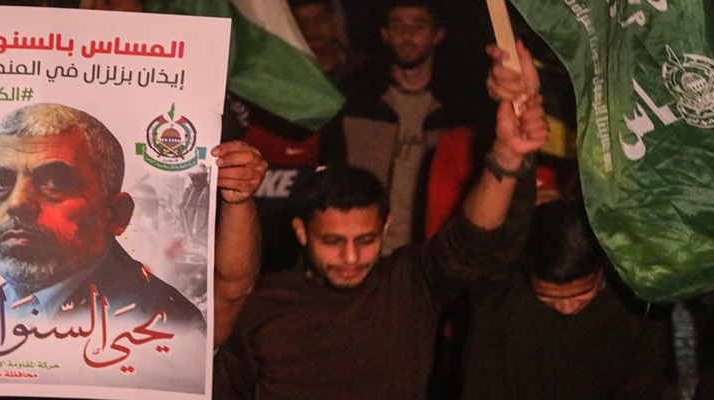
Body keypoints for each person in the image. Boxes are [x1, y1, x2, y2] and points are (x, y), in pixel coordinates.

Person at [212, 39, 547, 399]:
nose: (352, 258)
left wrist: (508, 156)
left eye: (367, 240)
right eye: (333, 242)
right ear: (302, 232)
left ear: (385, 228)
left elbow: (472, 240)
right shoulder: (262, 305)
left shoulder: (408, 284)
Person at [0, 105, 266, 348]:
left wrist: (238, 199)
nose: (19, 205)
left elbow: (230, 294)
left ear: (117, 214)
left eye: (54, 182)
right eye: (0, 182)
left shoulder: (162, 321)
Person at [460, 201, 672, 399]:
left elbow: (643, 388)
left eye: (581, 295)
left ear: (604, 268)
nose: (566, 308)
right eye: (547, 298)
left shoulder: (639, 310)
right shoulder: (498, 294)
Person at [330, 0, 485, 254]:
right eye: (397, 25)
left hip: (431, 254)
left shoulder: (461, 109)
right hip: (361, 252)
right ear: (385, 34)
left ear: (438, 34)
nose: (407, 35)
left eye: (419, 26)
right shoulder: (354, 101)